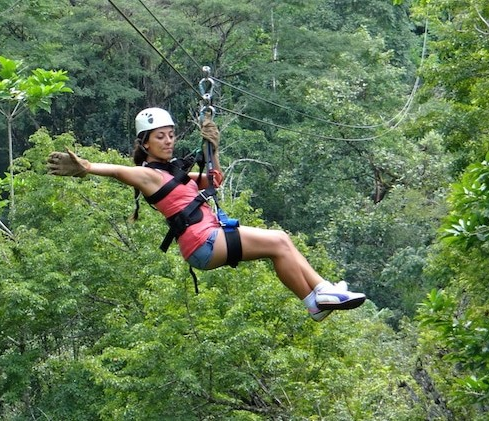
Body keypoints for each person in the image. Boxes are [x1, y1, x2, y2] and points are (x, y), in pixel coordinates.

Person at [47, 107, 365, 321]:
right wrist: (86, 167)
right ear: (144, 143)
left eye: (171, 134)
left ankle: (320, 297)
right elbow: (118, 172)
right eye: (160, 136)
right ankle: (317, 298)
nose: (168, 140)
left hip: (206, 240)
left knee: (281, 243)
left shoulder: (175, 174)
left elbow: (213, 180)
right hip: (204, 242)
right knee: (279, 241)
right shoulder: (147, 175)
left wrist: (212, 147)